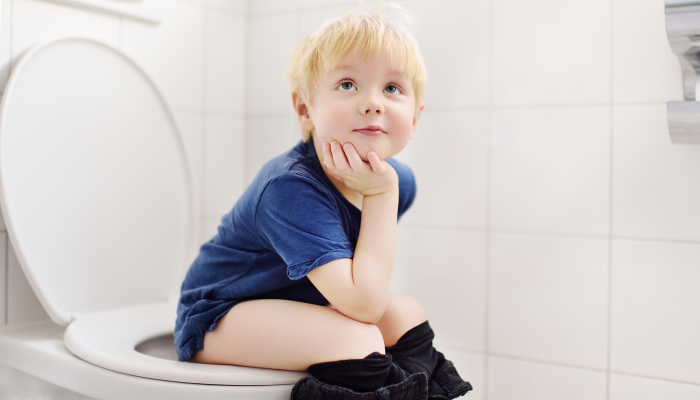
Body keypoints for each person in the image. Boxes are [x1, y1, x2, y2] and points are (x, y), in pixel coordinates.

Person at [174, 4, 472, 399]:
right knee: (356, 340)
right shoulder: (290, 189)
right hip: (219, 316)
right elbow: (364, 304)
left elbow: (366, 287)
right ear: (305, 109)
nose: (373, 103)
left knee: (406, 315)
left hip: (303, 306)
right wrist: (381, 195)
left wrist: (385, 189)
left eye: (392, 88)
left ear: (415, 117)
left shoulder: (400, 181)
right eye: (348, 84)